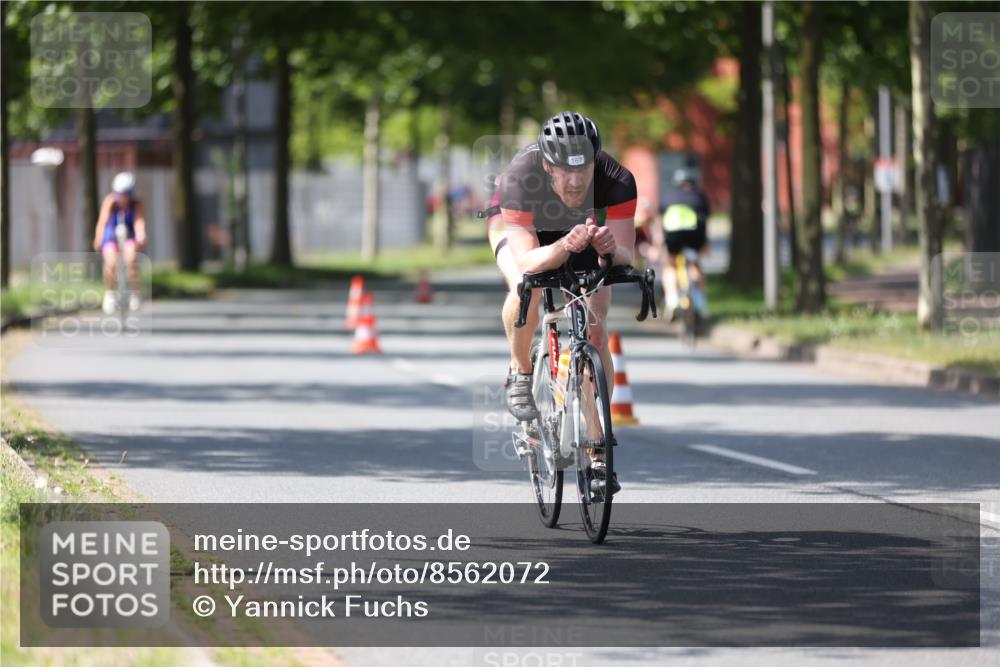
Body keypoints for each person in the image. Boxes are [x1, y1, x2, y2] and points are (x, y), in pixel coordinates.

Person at [483, 112, 637, 493]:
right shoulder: (520, 177)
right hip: (522, 232)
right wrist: (564, 246)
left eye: (583, 169)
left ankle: (597, 452)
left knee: (597, 327)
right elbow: (528, 260)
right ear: (547, 164)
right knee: (526, 286)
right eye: (565, 171)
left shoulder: (617, 180)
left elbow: (627, 254)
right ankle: (521, 373)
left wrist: (609, 249)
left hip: (579, 229)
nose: (575, 180)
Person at [656, 167, 709, 319]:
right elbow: (704, 221)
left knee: (670, 266)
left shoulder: (668, 197)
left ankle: (672, 300)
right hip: (694, 234)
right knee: (695, 264)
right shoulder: (700, 196)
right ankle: (699, 303)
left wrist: (659, 245)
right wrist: (705, 244)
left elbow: (660, 223)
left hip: (673, 235)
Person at [92, 172, 146, 314]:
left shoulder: (136, 203)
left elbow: (139, 221)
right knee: (111, 262)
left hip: (129, 234)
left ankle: (135, 292)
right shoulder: (110, 202)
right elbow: (103, 222)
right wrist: (98, 238)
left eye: (127, 194)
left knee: (131, 258)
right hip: (111, 234)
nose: (124, 198)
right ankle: (110, 293)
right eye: (121, 194)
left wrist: (141, 234)